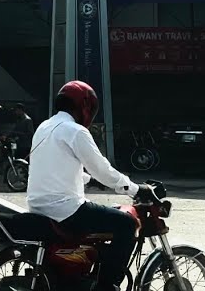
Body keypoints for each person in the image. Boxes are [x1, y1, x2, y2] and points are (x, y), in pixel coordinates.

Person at [28, 81, 142, 291]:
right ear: (84, 106)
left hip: (38, 208)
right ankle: (107, 286)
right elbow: (102, 169)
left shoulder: (43, 127)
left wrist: (88, 179)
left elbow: (56, 167)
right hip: (66, 211)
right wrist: (135, 188)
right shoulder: (76, 131)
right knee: (126, 224)